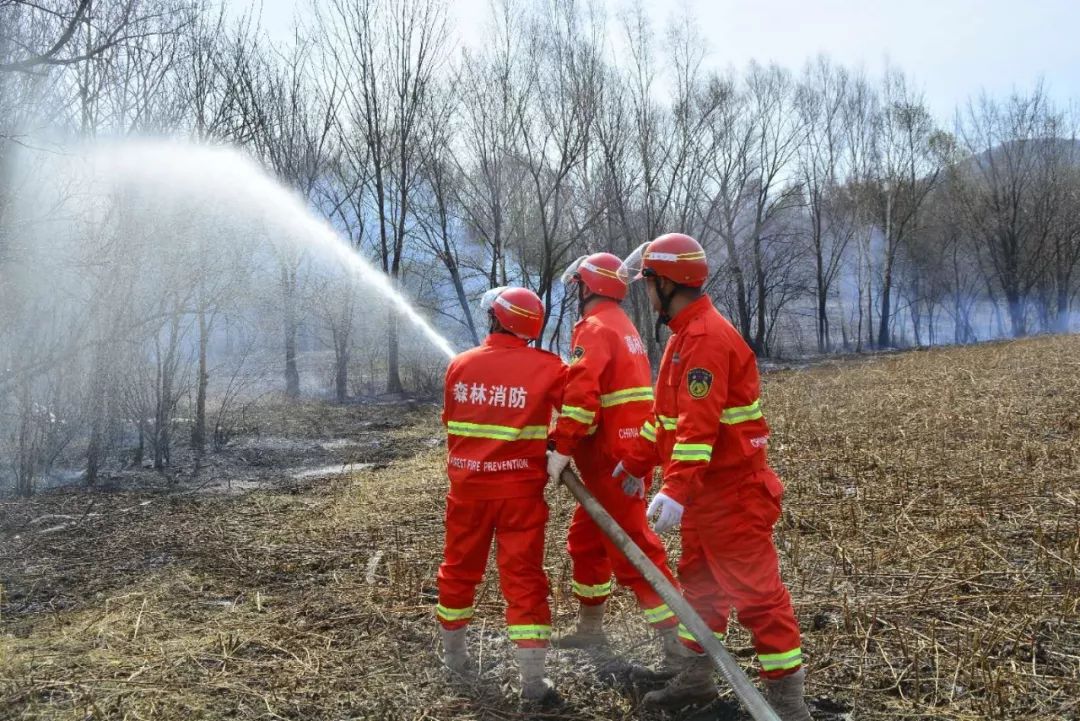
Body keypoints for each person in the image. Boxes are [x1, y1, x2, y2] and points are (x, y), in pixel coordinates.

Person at [612, 233, 813, 721]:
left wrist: (675, 488)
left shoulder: (703, 338)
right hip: (707, 496)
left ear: (667, 282)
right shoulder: (685, 336)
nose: (647, 293)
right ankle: (698, 677)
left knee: (758, 598)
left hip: (732, 495)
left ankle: (787, 702)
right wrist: (636, 463)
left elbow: (698, 431)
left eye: (649, 284)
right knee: (700, 588)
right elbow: (666, 421)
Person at [545, 253, 683, 663]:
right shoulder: (621, 325)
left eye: (579, 287)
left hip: (612, 461)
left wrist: (561, 447)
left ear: (590, 286)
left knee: (634, 550)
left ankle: (678, 647)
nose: (577, 295)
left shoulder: (595, 327)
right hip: (622, 453)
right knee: (586, 543)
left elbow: (583, 398)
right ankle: (590, 630)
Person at [436, 286, 567, 702]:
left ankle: (453, 659)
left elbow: (451, 420)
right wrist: (556, 443)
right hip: (521, 496)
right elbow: (579, 411)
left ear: (496, 318)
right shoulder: (550, 368)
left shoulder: (460, 365)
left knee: (458, 570)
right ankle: (533, 682)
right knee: (525, 580)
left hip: (469, 491)